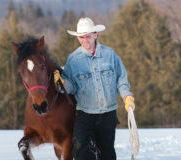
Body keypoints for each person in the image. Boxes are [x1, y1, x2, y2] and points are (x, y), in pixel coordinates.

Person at [54, 17, 135, 160]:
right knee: (79, 149)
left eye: (88, 36)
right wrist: (61, 83)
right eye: (81, 37)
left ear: (95, 34)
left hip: (108, 114)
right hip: (85, 115)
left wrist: (127, 97)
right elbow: (71, 87)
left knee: (107, 153)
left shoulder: (110, 55)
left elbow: (121, 80)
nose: (85, 40)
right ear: (78, 38)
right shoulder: (73, 60)